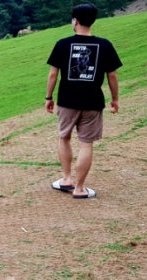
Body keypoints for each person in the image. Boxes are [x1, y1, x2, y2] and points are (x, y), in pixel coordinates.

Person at [45, 3, 122, 199]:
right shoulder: (104, 45)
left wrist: (48, 97)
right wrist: (114, 99)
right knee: (86, 144)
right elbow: (112, 76)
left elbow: (53, 74)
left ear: (75, 21)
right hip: (92, 101)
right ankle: (79, 189)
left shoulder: (63, 44)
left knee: (64, 137)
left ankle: (66, 179)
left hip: (67, 100)